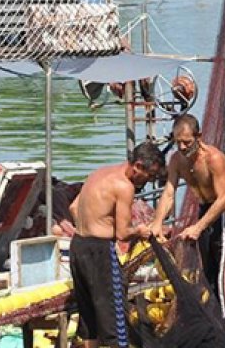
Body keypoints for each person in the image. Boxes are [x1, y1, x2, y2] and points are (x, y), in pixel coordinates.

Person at [51, 143, 166, 348]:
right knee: (115, 318)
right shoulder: (125, 186)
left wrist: (93, 225)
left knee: (88, 318)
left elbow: (74, 207)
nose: (148, 182)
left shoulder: (99, 173)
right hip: (99, 252)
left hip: (79, 247)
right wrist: (139, 230)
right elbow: (122, 233)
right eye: (149, 176)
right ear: (137, 166)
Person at [149, 114, 225, 337]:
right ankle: (216, 325)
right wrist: (157, 222)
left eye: (187, 142)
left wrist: (197, 227)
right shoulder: (177, 160)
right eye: (178, 142)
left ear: (199, 137)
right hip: (205, 211)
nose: (182, 147)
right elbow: (169, 192)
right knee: (208, 271)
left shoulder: (214, 159)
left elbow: (223, 199)